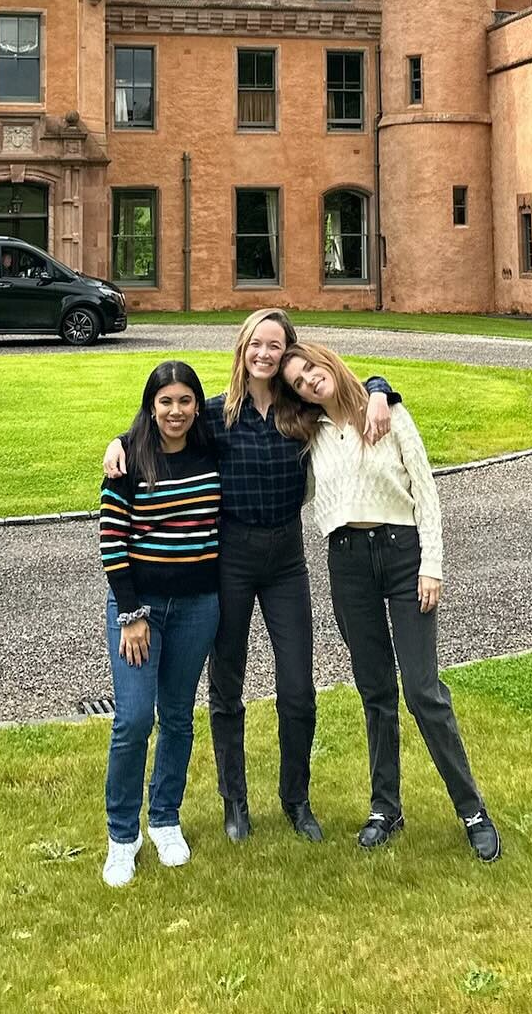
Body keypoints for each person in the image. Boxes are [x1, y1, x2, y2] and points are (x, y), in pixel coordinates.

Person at [103, 309, 395, 844]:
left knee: (298, 687)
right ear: (242, 348)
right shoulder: (216, 416)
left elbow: (346, 388)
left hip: (286, 559)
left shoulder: (301, 412)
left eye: (275, 346)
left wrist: (380, 391)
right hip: (230, 558)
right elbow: (161, 423)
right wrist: (119, 441)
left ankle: (296, 798)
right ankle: (234, 800)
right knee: (227, 683)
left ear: (287, 353)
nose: (264, 354)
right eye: (256, 343)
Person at [281, 338, 502, 862]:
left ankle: (472, 810)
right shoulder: (310, 436)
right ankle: (386, 808)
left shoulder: (388, 412)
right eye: (297, 383)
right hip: (347, 561)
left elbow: (426, 492)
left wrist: (432, 565)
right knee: (375, 689)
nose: (308, 381)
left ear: (326, 359)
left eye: (310, 368)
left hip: (404, 556)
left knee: (423, 690)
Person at [99, 360, 222, 888]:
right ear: (151, 406)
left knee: (177, 717)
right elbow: (112, 540)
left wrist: (380, 391)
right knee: (132, 720)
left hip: (198, 607)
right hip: (140, 610)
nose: (176, 411)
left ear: (197, 404)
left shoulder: (212, 447)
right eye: (166, 401)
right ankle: (122, 835)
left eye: (185, 400)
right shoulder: (129, 458)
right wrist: (131, 615)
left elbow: (252, 398)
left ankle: (165, 819)